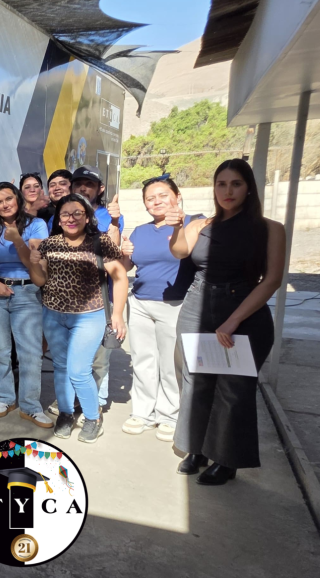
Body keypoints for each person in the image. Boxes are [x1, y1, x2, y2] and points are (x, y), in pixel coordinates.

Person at [169, 159, 284, 485]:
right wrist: (176, 227)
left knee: (234, 388)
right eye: (221, 184)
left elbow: (272, 280)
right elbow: (180, 251)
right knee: (195, 382)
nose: (228, 191)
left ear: (249, 188)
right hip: (198, 306)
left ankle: (226, 458)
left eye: (236, 184)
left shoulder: (270, 229)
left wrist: (234, 320)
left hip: (244, 310)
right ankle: (197, 449)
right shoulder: (200, 225)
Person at [25, 194, 128, 444]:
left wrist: (117, 314)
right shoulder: (49, 244)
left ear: (87, 217)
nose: (71, 218)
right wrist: (33, 264)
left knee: (79, 370)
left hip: (88, 316)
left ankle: (93, 417)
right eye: (65, 214)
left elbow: (120, 276)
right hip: (53, 315)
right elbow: (40, 281)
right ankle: (66, 412)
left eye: (77, 213)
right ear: (58, 219)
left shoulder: (100, 242)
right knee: (61, 367)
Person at [118, 175, 201, 441]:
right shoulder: (140, 231)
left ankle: (169, 415)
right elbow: (127, 267)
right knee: (142, 359)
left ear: (177, 196)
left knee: (170, 363)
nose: (156, 202)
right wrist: (124, 253)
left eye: (163, 195)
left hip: (175, 304)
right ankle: (142, 413)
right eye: (150, 198)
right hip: (140, 303)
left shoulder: (194, 223)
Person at [0, 182, 51, 427]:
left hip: (27, 291)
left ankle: (31, 406)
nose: (4, 205)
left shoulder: (36, 224)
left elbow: (35, 263)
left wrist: (17, 239)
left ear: (18, 199)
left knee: (30, 352)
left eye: (8, 199)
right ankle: (5, 398)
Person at [69, 167, 125, 418]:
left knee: (99, 358)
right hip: (68, 298)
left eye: (89, 184)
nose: (83, 188)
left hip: (100, 297)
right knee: (71, 356)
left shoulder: (109, 216)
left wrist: (114, 222)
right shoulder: (62, 214)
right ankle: (73, 400)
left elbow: (114, 251)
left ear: (100, 189)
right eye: (78, 183)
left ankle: (97, 402)